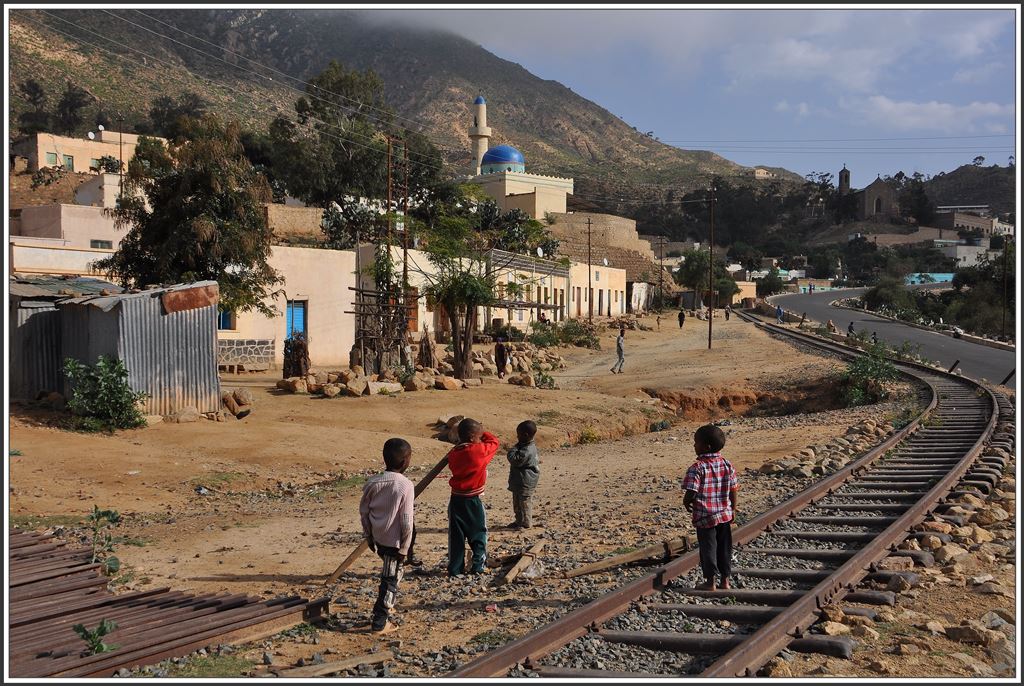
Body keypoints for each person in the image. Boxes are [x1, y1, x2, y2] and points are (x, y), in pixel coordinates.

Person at [359, 438, 416, 634]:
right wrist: (405, 548)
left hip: (379, 538)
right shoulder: (405, 485)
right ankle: (380, 621)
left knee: (394, 572)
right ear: (405, 461)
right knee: (389, 580)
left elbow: (364, 513)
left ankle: (388, 603)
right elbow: (407, 520)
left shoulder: (372, 482)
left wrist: (368, 536)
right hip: (395, 542)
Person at [683, 424, 738, 591]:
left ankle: (710, 582)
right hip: (723, 515)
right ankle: (725, 581)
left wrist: (686, 501)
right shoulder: (727, 464)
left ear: (706, 447)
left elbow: (691, 490)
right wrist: (733, 508)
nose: (694, 445)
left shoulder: (697, 468)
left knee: (708, 548)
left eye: (696, 442)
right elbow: (733, 488)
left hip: (705, 516)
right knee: (724, 547)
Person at [446, 418, 500, 577]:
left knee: (456, 537)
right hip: (473, 500)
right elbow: (494, 442)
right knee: (478, 533)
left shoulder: (454, 453)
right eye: (478, 436)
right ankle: (478, 565)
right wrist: (484, 433)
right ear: (472, 438)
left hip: (455, 499)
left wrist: (477, 433)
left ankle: (455, 568)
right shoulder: (479, 452)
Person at [507, 420, 540, 529]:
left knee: (525, 503)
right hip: (519, 481)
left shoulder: (527, 450)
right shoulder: (525, 445)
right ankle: (519, 521)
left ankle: (526, 523)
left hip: (525, 481)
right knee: (517, 502)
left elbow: (514, 459)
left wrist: (513, 449)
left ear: (525, 435)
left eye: (518, 434)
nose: (517, 437)